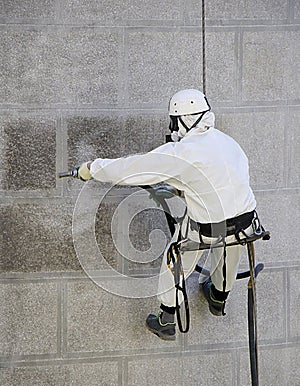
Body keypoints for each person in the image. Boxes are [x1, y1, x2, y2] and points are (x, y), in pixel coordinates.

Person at [77, 89, 257, 341]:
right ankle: (218, 298)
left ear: (183, 119)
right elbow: (219, 183)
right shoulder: (229, 142)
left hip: (205, 228)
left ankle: (166, 317)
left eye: (174, 121)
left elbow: (131, 168)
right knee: (229, 247)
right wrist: (177, 188)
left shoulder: (182, 152)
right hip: (246, 223)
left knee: (176, 255)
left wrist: (91, 169)